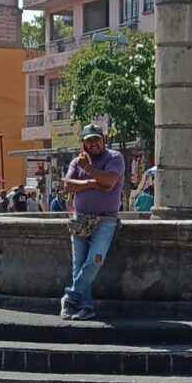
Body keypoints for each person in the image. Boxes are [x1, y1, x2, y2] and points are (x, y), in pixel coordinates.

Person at [61, 124, 124, 321]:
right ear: (83, 143)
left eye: (96, 139)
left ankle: (70, 297)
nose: (93, 143)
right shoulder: (75, 161)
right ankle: (86, 307)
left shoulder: (114, 157)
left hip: (106, 220)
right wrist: (91, 183)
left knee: (95, 260)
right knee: (78, 265)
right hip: (80, 220)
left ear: (103, 140)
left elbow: (110, 181)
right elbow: (67, 185)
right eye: (89, 140)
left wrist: (88, 170)